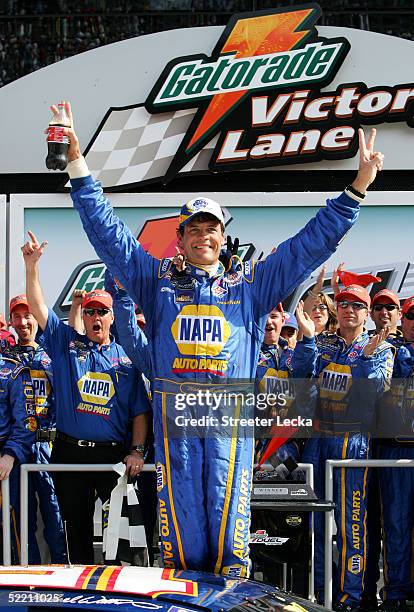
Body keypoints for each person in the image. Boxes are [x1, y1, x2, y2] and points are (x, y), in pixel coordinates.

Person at [59, 99, 384, 576]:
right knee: (182, 547)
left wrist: (356, 189)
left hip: (229, 420)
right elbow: (109, 235)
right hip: (177, 422)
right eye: (194, 229)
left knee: (231, 544)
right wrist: (75, 161)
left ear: (222, 237)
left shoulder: (250, 287)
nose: (203, 236)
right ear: (181, 236)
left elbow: (306, 247)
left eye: (211, 229)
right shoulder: (157, 282)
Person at [22, 232, 151, 564]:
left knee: (117, 542)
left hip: (112, 457)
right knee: (75, 536)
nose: (95, 318)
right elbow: (38, 308)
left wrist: (137, 451)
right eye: (90, 311)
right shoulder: (67, 344)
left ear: (112, 318)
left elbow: (140, 411)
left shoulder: (126, 358)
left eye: (102, 312)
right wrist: (31, 266)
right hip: (69, 453)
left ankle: (116, 598)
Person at [302, 284, 394, 610]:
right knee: (315, 525)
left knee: (350, 523)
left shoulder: (380, 348)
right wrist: (305, 337)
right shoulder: (323, 341)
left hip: (352, 442)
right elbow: (303, 378)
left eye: (357, 306)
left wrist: (366, 359)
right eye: (343, 304)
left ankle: (349, 598)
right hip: (317, 439)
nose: (349, 310)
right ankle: (317, 593)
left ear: (367, 314)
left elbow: (371, 395)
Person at [7, 293, 67, 564]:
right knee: (21, 517)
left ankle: (63, 574)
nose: (23, 322)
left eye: (27, 315)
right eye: (17, 316)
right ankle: (25, 577)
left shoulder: (52, 356)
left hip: (48, 444)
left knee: (56, 516)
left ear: (36, 318)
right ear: (10, 321)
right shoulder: (5, 360)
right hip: (17, 448)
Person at [363, 288, 404, 610]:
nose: (385, 313)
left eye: (392, 308)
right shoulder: (368, 348)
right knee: (381, 523)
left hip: (397, 451)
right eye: (379, 308)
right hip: (379, 447)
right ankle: (389, 595)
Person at [377, 296, 414, 612]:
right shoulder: (392, 351)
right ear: (404, 319)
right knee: (396, 524)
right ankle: (396, 593)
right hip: (394, 451)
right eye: (413, 315)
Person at [0, 347, 36, 563]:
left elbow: (27, 422)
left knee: (15, 527)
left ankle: (22, 585)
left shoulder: (12, 371)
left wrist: (11, 454)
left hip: (5, 462)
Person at [303, 264, 338, 335]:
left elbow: (341, 312)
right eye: (313, 308)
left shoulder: (337, 336)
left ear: (329, 312)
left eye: (322, 307)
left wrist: (335, 287)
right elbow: (305, 312)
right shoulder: (300, 336)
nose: (317, 311)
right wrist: (318, 286)